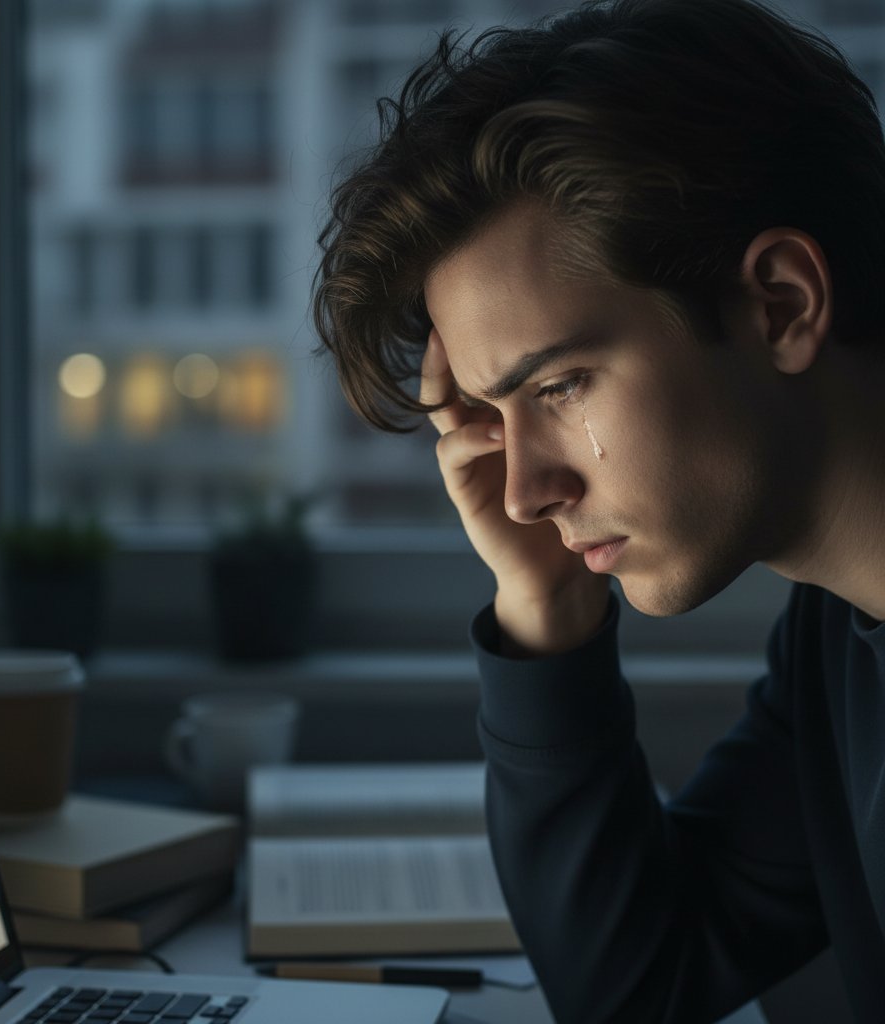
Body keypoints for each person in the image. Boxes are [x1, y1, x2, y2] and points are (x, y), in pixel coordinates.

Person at [311, 0, 885, 1021]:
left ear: (783, 306)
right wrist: (544, 607)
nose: (526, 492)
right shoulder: (836, 634)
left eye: (561, 386)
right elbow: (640, 981)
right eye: (492, 413)